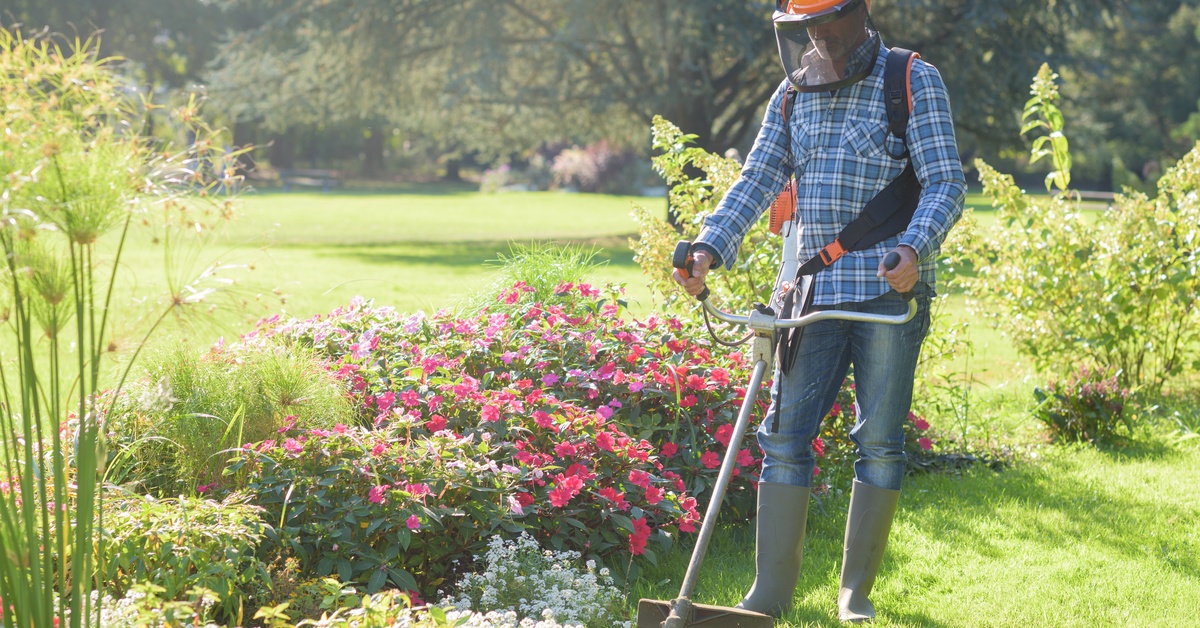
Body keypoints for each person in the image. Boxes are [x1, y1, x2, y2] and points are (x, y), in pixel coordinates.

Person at [673, 0, 965, 623]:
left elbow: (945, 182)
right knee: (784, 436)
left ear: (861, 17)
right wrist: (707, 246)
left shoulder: (911, 79)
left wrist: (915, 248)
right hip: (813, 296)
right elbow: (757, 179)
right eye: (808, 28)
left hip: (890, 292)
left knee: (880, 442)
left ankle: (853, 596)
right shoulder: (791, 93)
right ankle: (769, 596)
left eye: (831, 24)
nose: (821, 38)